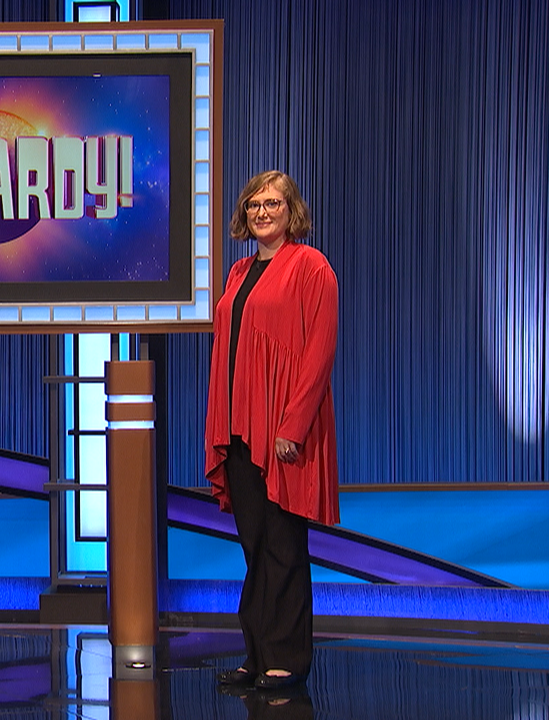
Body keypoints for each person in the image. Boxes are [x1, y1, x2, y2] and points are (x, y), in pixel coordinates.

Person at [203, 170, 339, 691]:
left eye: (273, 203)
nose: (263, 212)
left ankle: (287, 658)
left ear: (291, 211)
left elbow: (319, 351)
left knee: (283, 545)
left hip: (283, 433)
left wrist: (294, 424)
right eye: (255, 204)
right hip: (239, 430)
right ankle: (256, 654)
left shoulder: (311, 267)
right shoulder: (238, 272)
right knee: (255, 546)